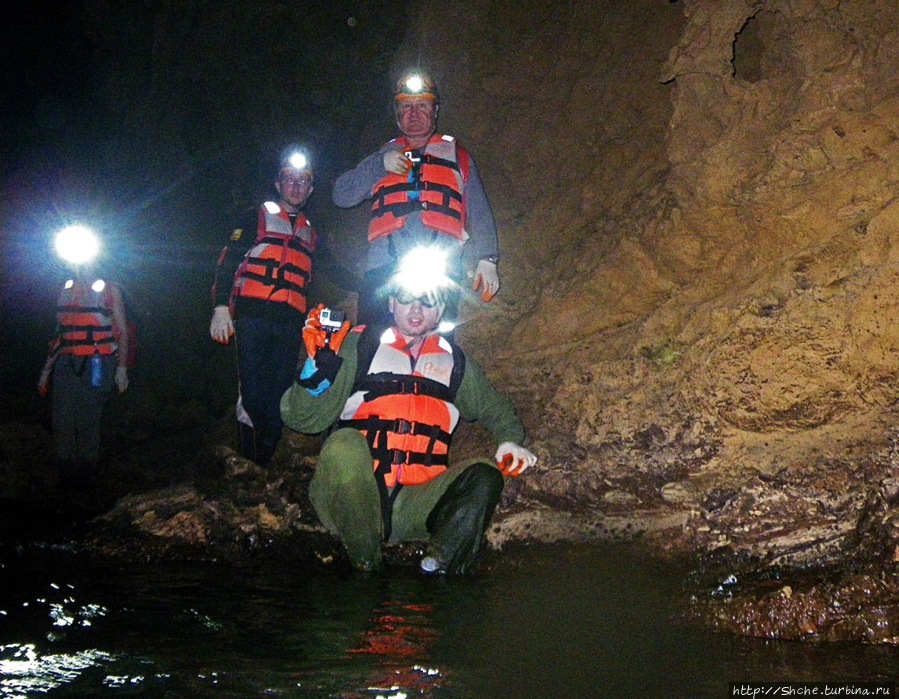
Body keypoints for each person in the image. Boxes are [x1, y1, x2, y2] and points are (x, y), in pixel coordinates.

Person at [280, 247, 537, 573]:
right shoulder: (359, 346)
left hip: (414, 505)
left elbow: (495, 408)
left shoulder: (455, 362)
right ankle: (366, 568)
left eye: (428, 300)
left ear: (441, 306)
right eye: (406, 298)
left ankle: (439, 571)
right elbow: (301, 419)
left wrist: (509, 438)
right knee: (343, 445)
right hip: (351, 500)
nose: (416, 309)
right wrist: (313, 377)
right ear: (391, 303)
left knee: (484, 476)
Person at [332, 72, 501, 330]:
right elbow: (341, 196)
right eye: (405, 106)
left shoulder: (458, 157)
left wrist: (487, 259)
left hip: (441, 267)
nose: (413, 113)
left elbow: (479, 209)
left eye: (422, 105)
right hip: (384, 268)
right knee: (372, 346)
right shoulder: (383, 155)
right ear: (397, 114)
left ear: (435, 110)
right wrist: (379, 164)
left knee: (437, 351)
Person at [210, 146, 320, 467]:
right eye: (289, 179)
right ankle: (246, 462)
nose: (296, 186)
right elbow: (228, 261)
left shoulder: (312, 233)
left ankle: (265, 463)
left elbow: (336, 270)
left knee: (279, 394)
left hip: (289, 323)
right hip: (252, 317)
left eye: (303, 181)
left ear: (310, 189)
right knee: (253, 392)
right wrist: (220, 307)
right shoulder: (254, 216)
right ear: (278, 184)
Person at [38, 225, 130, 487]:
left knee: (89, 419)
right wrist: (46, 370)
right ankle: (66, 475)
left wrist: (122, 368)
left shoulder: (109, 289)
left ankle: (88, 474)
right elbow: (60, 334)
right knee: (63, 420)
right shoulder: (65, 288)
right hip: (67, 362)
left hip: (98, 362)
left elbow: (122, 331)